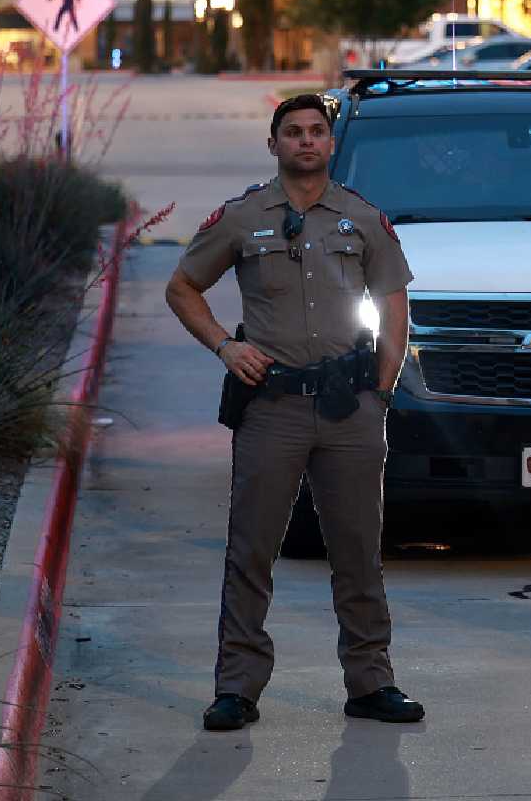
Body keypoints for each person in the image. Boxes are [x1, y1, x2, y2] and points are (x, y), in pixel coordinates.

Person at [164, 93, 425, 730]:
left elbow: (394, 305)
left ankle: (371, 682)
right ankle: (237, 687)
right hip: (271, 407)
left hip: (349, 407)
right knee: (251, 550)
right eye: (293, 132)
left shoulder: (363, 218)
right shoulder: (242, 216)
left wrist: (382, 391)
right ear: (274, 144)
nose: (306, 141)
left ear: (331, 143)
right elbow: (182, 287)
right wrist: (225, 346)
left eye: (316, 131)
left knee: (358, 551)